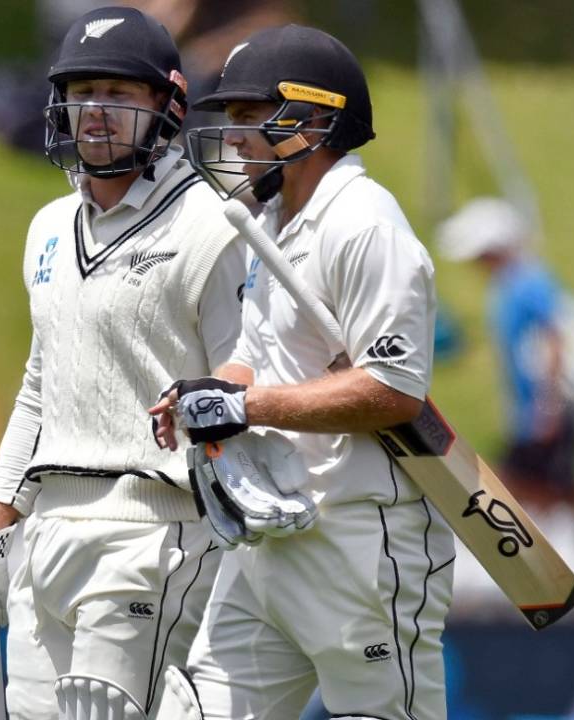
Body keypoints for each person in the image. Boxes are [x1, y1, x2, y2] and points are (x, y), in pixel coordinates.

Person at [0, 6, 249, 717]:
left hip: (155, 532)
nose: (95, 112)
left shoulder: (211, 226)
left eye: (119, 94)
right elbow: (40, 390)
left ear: (168, 102)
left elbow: (245, 387)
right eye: (80, 93)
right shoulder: (48, 228)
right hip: (48, 540)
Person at [149, 24, 456, 719]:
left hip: (360, 542)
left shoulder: (364, 224)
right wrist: (210, 393)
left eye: (248, 116)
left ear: (313, 119)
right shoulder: (275, 221)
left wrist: (248, 410)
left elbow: (394, 390)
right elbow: (257, 360)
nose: (233, 138)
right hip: (270, 535)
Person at [436, 197, 574, 500]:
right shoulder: (507, 285)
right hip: (529, 414)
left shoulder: (528, 281)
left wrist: (548, 409)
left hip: (546, 412)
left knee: (538, 493)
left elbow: (554, 339)